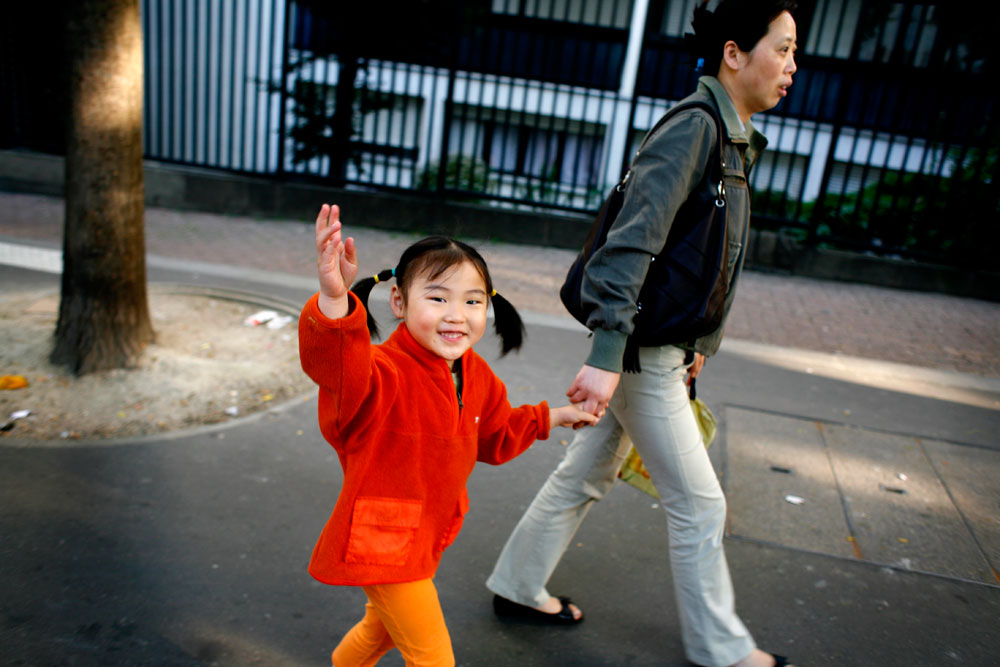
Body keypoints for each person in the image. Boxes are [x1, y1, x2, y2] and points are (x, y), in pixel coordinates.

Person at [486, 2, 798, 666]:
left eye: (795, 53)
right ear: (734, 54)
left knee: (587, 470)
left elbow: (707, 261)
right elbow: (631, 247)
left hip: (655, 347)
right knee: (700, 506)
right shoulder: (697, 130)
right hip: (635, 350)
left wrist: (697, 347)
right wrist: (605, 355)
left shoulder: (730, 135)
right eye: (784, 49)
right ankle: (723, 650)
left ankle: (516, 583)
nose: (792, 66)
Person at [299, 203, 597, 667]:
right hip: (384, 544)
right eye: (437, 298)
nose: (456, 314)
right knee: (433, 659)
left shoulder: (475, 375)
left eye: (472, 301)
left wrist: (552, 417)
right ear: (398, 301)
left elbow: (496, 434)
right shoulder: (381, 372)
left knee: (379, 633)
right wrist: (335, 299)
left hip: (425, 537)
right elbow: (338, 369)